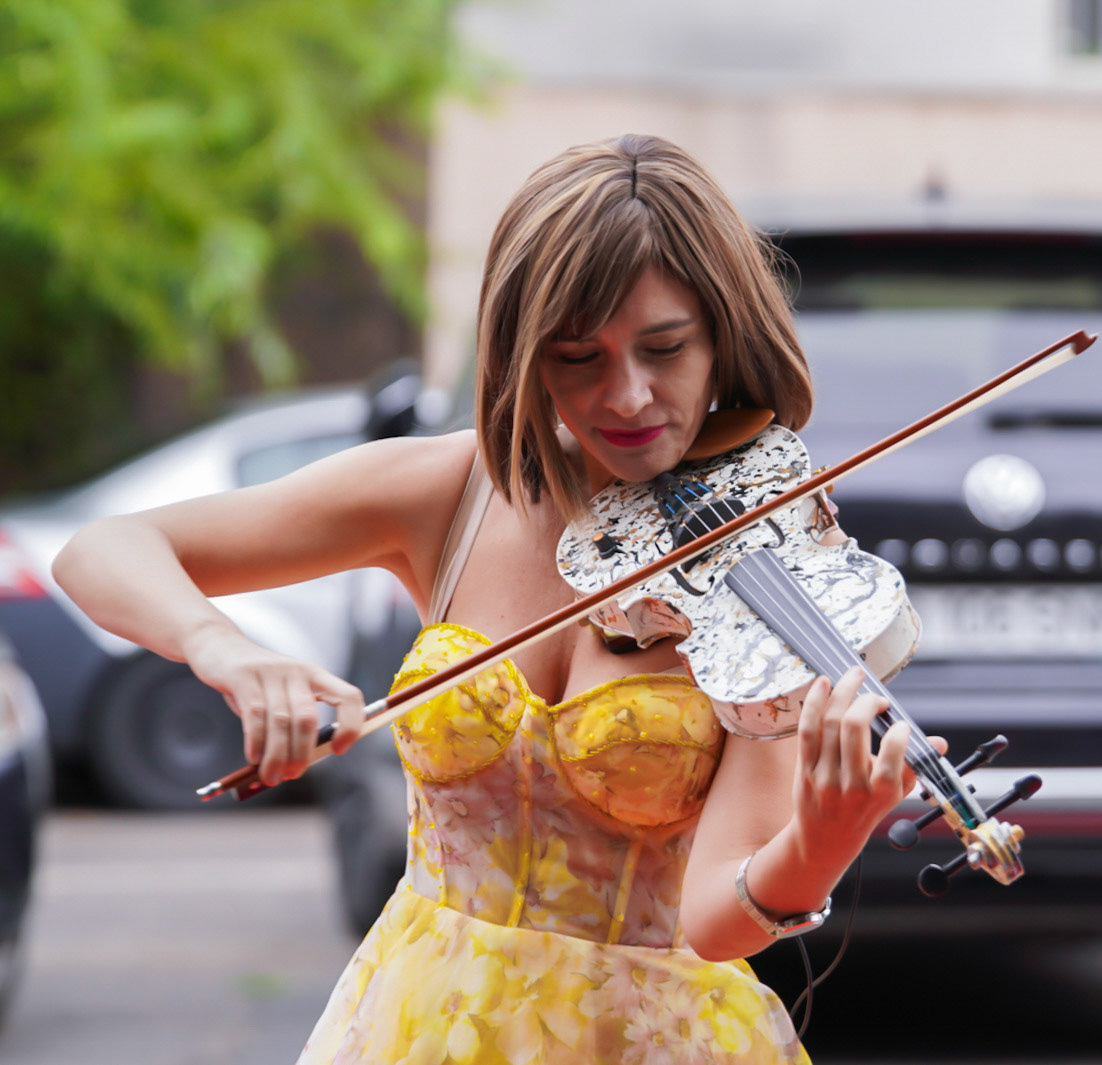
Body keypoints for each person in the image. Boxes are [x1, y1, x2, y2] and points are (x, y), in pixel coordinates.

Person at [52, 133, 939, 1064]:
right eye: (578, 356)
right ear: (523, 354)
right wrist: (225, 649)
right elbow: (101, 549)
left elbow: (716, 921)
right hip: (419, 1021)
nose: (628, 395)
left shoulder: (762, 564)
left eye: (665, 347)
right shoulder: (452, 494)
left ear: (724, 336)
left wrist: (820, 841)